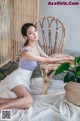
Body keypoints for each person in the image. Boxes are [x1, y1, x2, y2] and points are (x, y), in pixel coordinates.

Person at [0, 23, 74, 109]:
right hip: (17, 78)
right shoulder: (26, 52)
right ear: (25, 37)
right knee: (28, 101)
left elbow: (47, 57)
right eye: (30, 33)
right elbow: (46, 60)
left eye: (35, 31)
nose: (34, 34)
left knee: (25, 103)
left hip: (25, 80)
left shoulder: (36, 44)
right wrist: (68, 58)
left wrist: (64, 60)